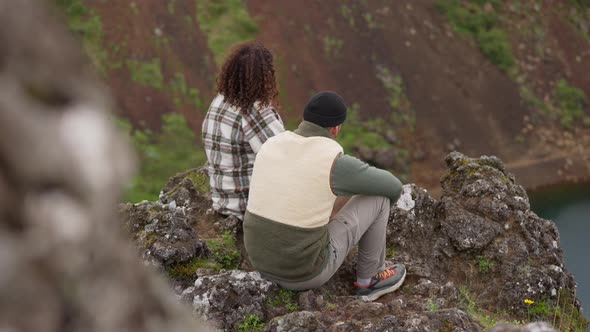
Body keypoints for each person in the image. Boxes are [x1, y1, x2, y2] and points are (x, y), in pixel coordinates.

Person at [243, 91, 406, 301]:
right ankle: (370, 280)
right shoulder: (333, 161)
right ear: (336, 129)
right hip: (303, 274)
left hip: (260, 262)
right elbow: (393, 187)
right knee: (379, 199)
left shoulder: (271, 144)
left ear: (304, 119)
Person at [202, 42, 285, 220]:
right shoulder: (253, 111)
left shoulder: (220, 100)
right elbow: (285, 156)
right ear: (265, 76)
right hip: (247, 207)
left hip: (222, 200)